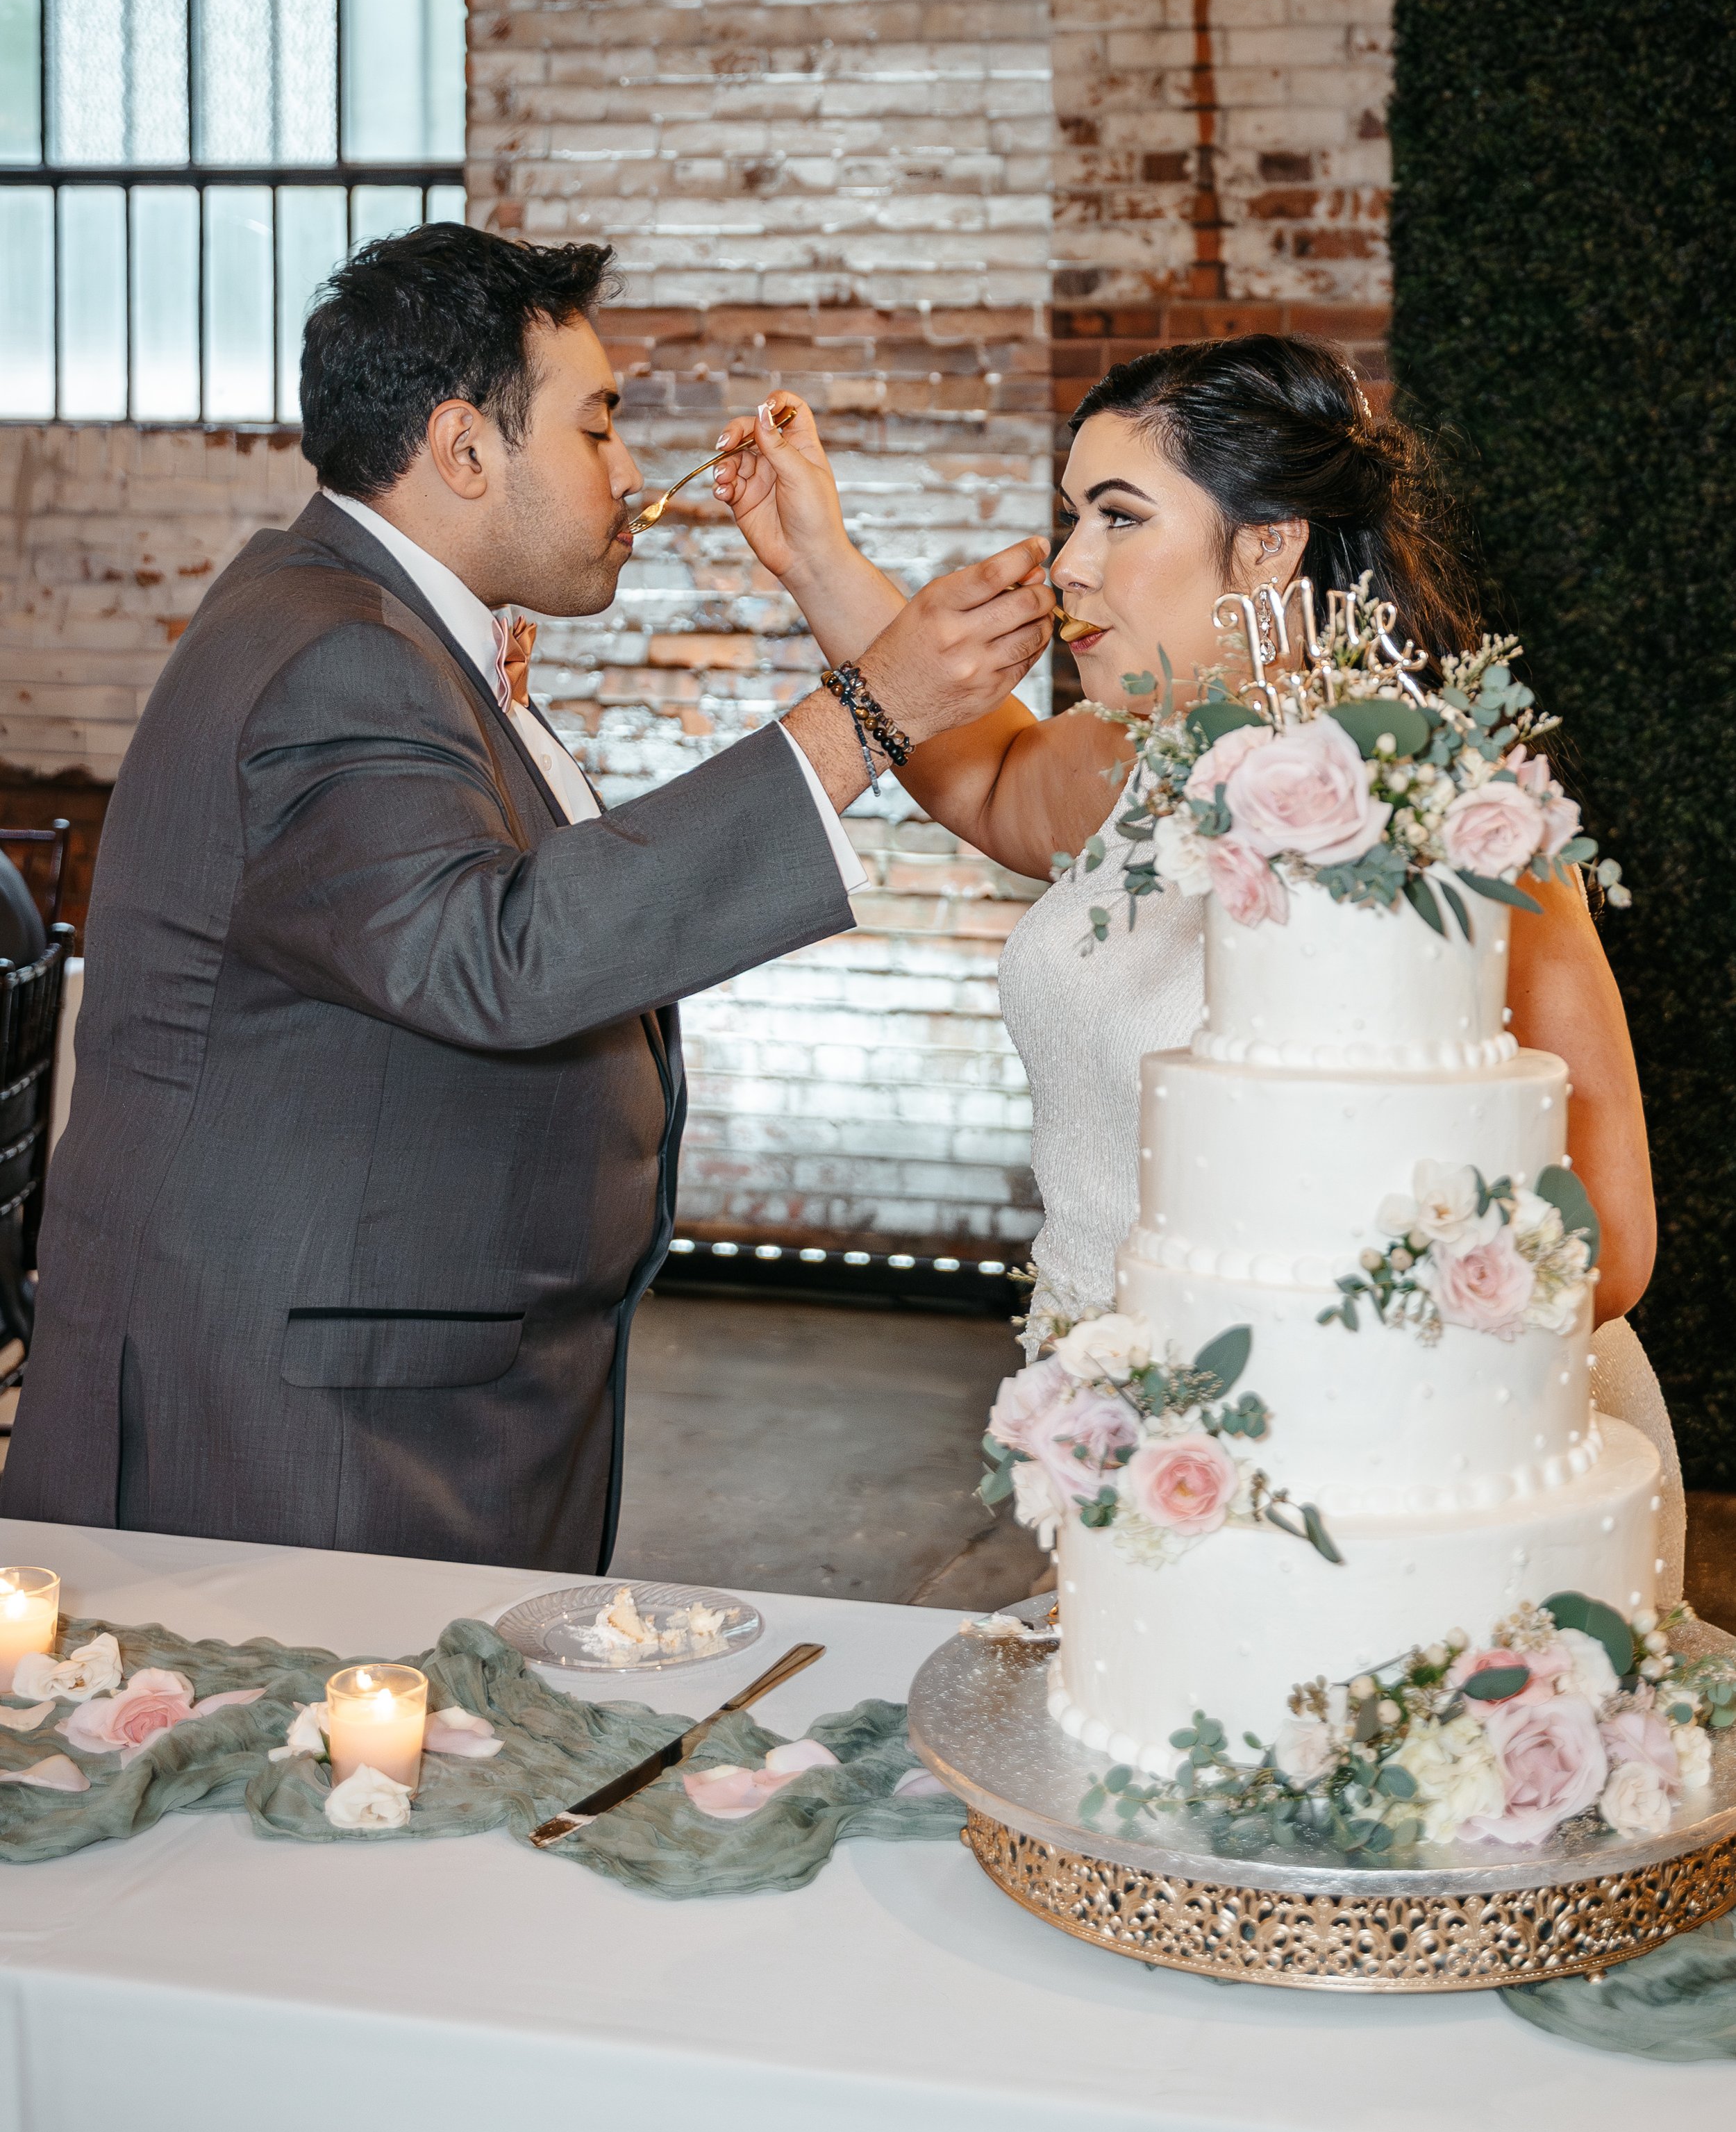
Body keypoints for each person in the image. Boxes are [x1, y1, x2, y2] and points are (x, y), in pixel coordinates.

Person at [1, 226, 1052, 1569]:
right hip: (311, 1435)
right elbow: (494, 951)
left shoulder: (374, 623)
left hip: (410, 1389)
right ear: (463, 448)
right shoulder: (338, 655)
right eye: (598, 428)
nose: (626, 473)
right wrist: (865, 715)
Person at [706, 333, 1658, 1342]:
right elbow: (981, 776)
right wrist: (815, 553)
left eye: (1119, 516)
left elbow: (1609, 1236)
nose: (1068, 566)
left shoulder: (1444, 807)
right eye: (1075, 517)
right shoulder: (1143, 760)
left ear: (1267, 542)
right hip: (1110, 1431)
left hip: (1334, 1430)